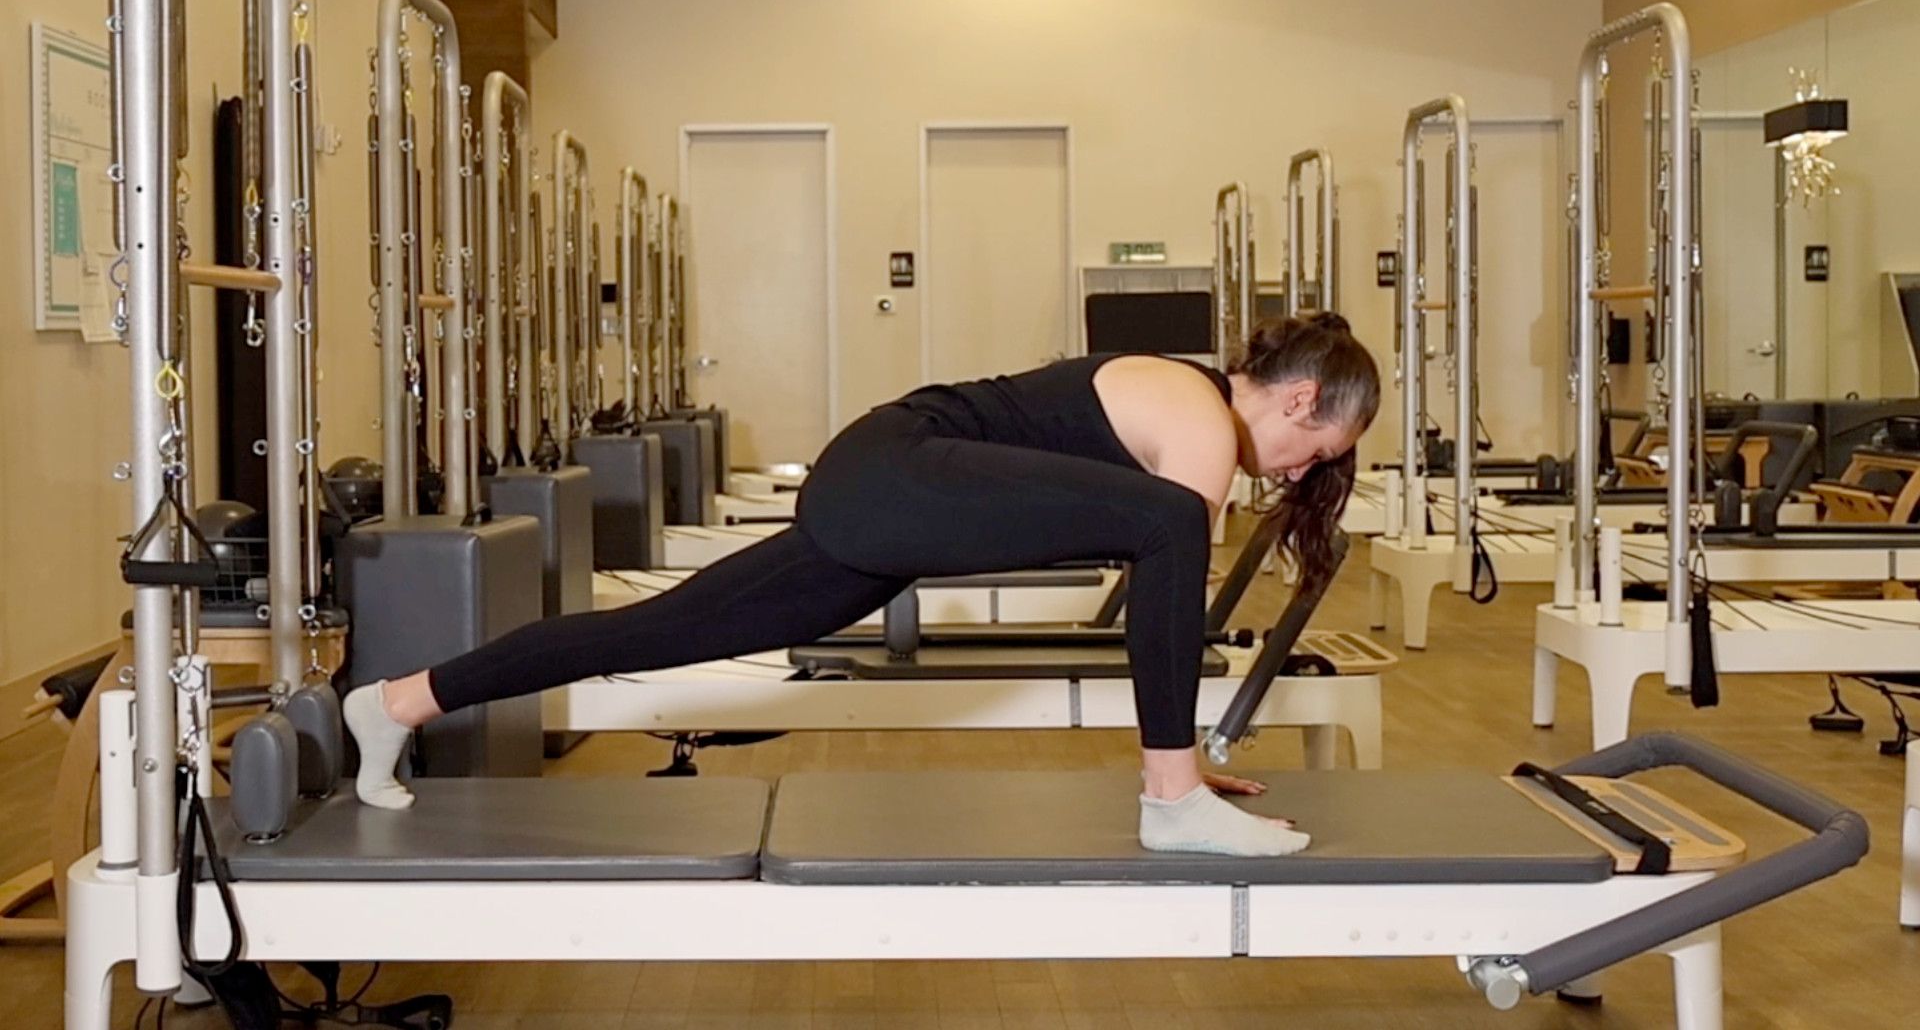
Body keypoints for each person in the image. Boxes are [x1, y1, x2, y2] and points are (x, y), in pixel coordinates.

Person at [344, 313, 1380, 857]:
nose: (1301, 475)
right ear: (1298, 398)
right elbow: (1171, 567)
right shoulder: (1199, 414)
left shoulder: (1189, 407)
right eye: (1319, 450)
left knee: (653, 632)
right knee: (1170, 526)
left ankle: (397, 703)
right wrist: (1176, 773)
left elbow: (1153, 580)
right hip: (894, 471)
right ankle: (1172, 801)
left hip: (880, 503)